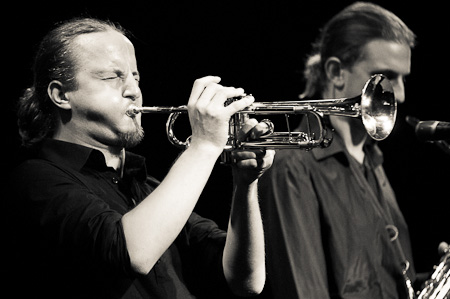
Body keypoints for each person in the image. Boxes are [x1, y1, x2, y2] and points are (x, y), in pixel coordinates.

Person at [8, 17, 275, 298]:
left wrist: (245, 185)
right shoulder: (35, 181)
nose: (134, 91)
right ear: (61, 95)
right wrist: (204, 145)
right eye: (113, 77)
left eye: (135, 77)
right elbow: (133, 252)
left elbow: (246, 281)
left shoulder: (147, 187)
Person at [259, 2, 418, 298]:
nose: (401, 94)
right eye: (386, 76)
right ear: (335, 72)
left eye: (403, 78)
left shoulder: (372, 157)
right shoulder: (292, 166)